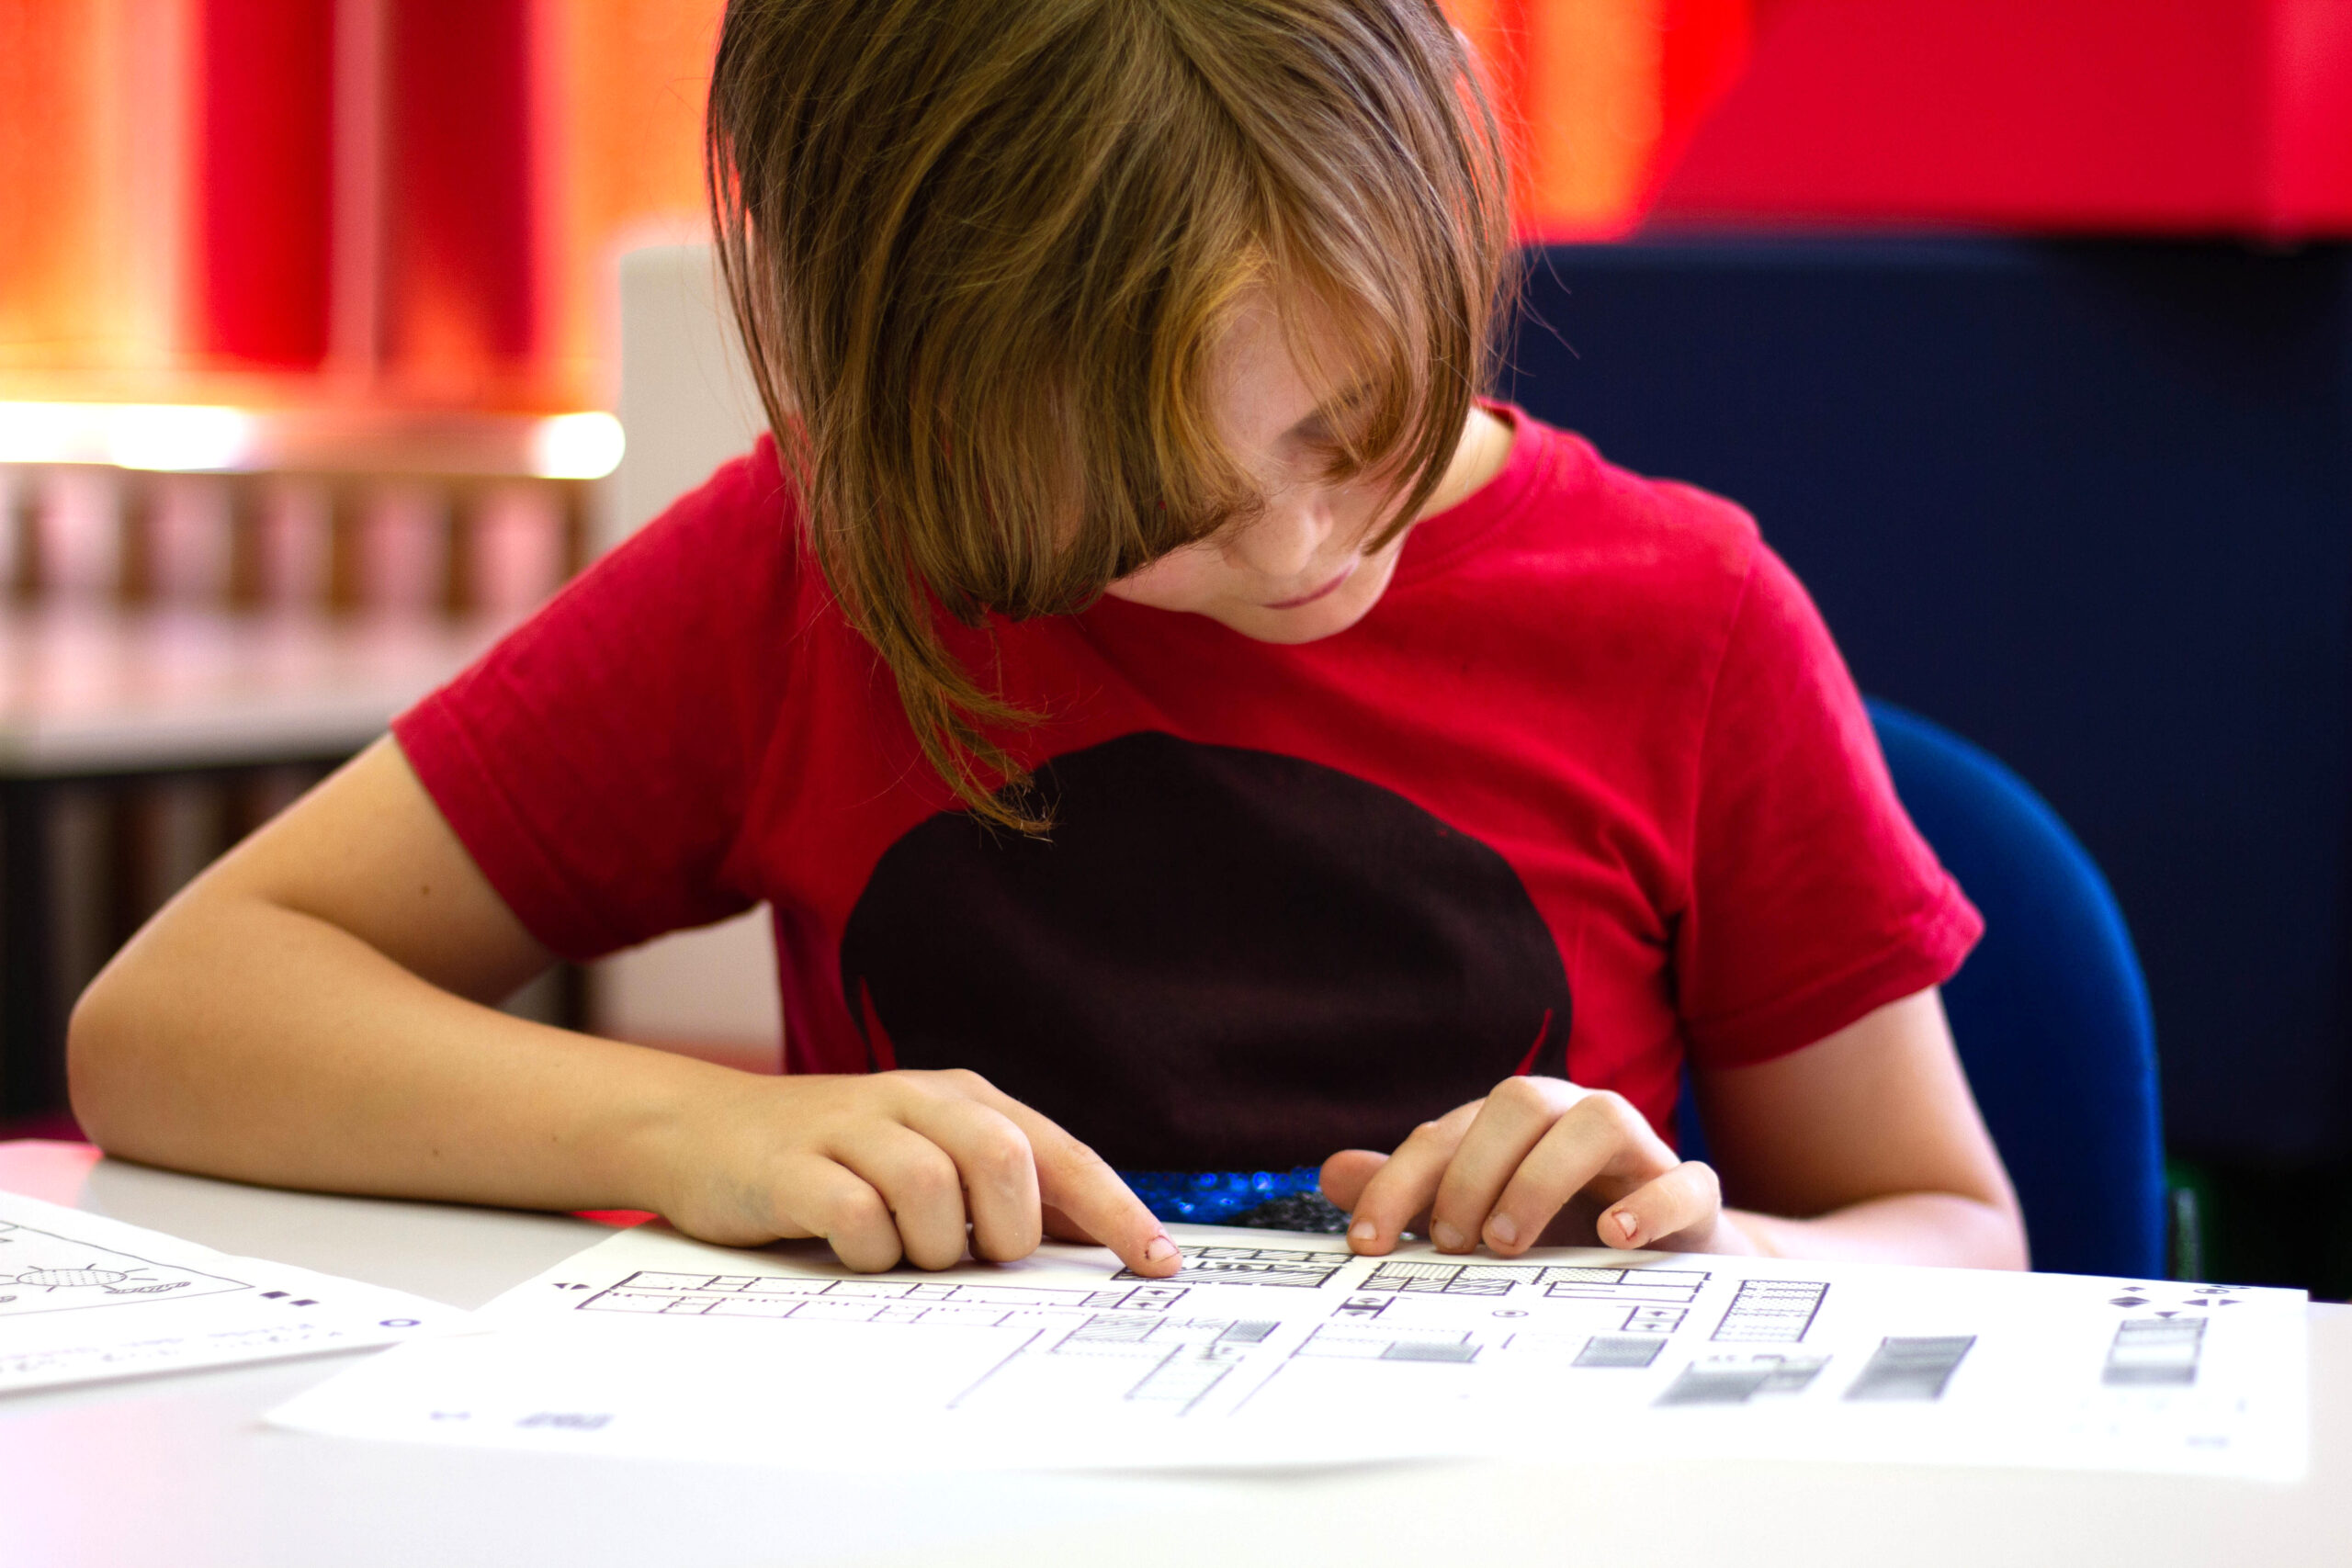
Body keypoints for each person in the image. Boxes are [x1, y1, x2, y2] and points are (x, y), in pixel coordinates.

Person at [68, 0, 2026, 1281]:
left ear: (1445, 227)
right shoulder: (810, 572)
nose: (1301, 546)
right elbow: (171, 1020)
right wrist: (697, 1126)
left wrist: (1730, 1251)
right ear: (900, 426)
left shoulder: (1678, 617)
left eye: (1354, 423)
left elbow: (1953, 1226)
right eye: (1146, 520)